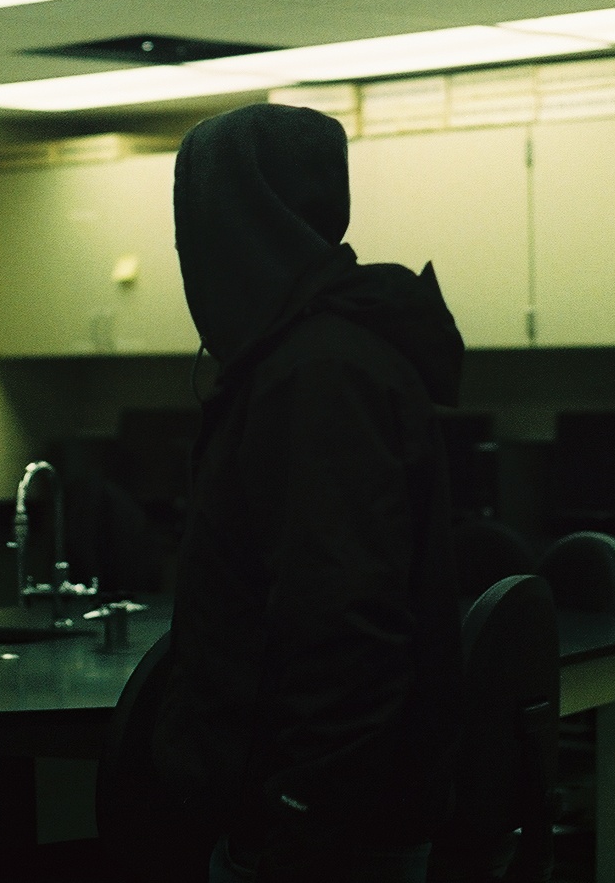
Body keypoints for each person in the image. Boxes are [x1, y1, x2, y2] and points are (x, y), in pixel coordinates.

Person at [153, 104, 464, 883]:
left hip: (322, 832)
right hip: (327, 812)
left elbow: (346, 621)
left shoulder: (315, 375)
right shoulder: (321, 356)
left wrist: (298, 813)